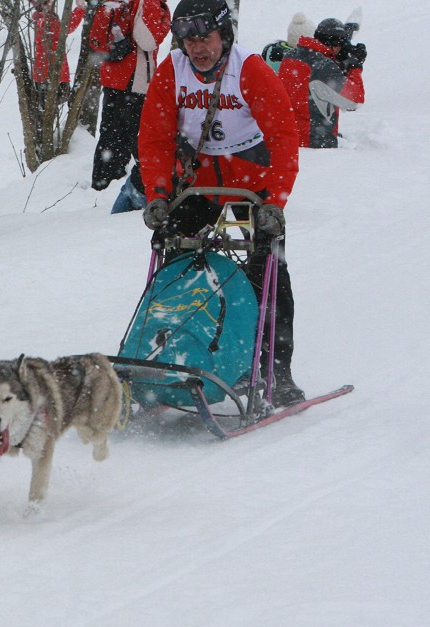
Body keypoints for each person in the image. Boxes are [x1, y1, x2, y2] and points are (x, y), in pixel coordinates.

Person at [137, 0, 305, 406]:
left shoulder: (249, 69)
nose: (198, 48)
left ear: (223, 34)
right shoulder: (171, 70)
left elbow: (284, 137)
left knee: (261, 270)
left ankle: (275, 373)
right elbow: (155, 137)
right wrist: (158, 195)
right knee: (173, 255)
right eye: (189, 40)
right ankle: (159, 354)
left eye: (206, 38)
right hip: (196, 188)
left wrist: (275, 203)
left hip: (249, 193)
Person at [87, 0, 171, 213]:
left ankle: (99, 191)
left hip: (113, 79)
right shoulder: (149, 3)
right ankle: (138, 195)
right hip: (136, 82)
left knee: (111, 140)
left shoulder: (116, 3)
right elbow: (148, 40)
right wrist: (165, 18)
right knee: (143, 142)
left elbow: (97, 40)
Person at [278, 17, 366, 149]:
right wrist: (354, 67)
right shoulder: (323, 67)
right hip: (315, 145)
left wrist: (336, 63)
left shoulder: (291, 56)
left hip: (288, 140)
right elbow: (355, 101)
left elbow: (311, 87)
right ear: (335, 45)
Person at [31, 0, 85, 105]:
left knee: (51, 104)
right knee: (53, 104)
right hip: (51, 72)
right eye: (48, 2)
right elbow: (67, 26)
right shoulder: (45, 21)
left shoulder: (42, 19)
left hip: (46, 72)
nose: (53, 3)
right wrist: (80, 8)